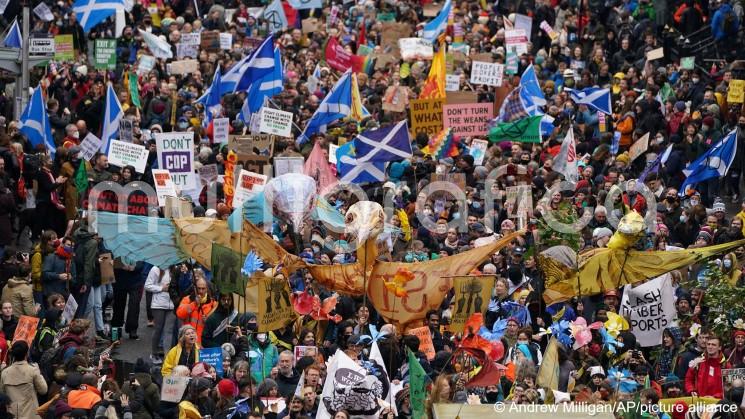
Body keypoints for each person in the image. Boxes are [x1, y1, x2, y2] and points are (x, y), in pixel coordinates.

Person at [0, 341, 47, 419]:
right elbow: (43, 390)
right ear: (26, 353)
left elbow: (2, 393)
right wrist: (39, 372)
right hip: (30, 414)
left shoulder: (5, 373)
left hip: (12, 414)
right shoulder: (33, 370)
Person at [144, 265, 176, 365]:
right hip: (158, 305)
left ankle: (167, 357)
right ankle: (154, 353)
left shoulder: (175, 269)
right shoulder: (155, 269)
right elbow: (147, 285)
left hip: (172, 305)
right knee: (158, 329)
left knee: (169, 330)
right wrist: (161, 288)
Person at [176, 272, 217, 347]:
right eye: (199, 288)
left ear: (207, 289)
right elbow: (179, 314)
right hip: (187, 343)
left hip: (202, 344)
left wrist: (208, 320)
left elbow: (216, 326)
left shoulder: (213, 304)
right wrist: (194, 304)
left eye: (203, 289)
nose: (201, 291)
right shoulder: (188, 299)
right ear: (195, 288)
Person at [42, 235, 76, 299]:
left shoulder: (71, 260)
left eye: (72, 246)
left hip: (65, 294)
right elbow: (44, 274)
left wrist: (71, 278)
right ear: (62, 244)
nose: (71, 248)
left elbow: (75, 279)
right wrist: (58, 276)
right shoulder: (52, 257)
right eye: (68, 245)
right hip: (52, 295)